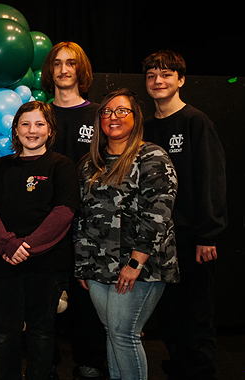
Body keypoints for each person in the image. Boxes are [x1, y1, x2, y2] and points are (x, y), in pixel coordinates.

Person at [75, 88, 179, 380]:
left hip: (141, 266)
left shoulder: (152, 156)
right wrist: (83, 264)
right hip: (98, 265)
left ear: (136, 117)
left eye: (122, 111)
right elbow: (82, 216)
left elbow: (158, 214)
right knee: (112, 331)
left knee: (124, 333)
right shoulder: (90, 163)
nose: (113, 117)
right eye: (107, 112)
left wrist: (135, 262)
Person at [142, 50, 227, 380]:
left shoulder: (196, 122)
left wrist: (208, 234)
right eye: (152, 75)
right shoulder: (145, 128)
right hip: (158, 240)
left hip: (192, 238)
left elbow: (211, 178)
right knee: (169, 316)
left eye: (166, 74)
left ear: (181, 80)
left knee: (196, 316)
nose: (158, 80)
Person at [0, 101, 78, 380]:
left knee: (41, 333)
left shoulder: (61, 165)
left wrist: (27, 247)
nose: (31, 131)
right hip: (4, 264)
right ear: (15, 130)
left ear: (50, 130)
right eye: (25, 124)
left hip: (46, 266)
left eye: (39, 124)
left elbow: (64, 212)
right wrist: (8, 245)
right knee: (4, 335)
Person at [39, 41, 106, 378]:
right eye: (57, 63)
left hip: (89, 222)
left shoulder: (98, 115)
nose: (64, 69)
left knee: (86, 296)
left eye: (71, 63)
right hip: (44, 220)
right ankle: (45, 363)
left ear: (82, 70)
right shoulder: (39, 115)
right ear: (49, 71)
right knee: (43, 298)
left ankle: (90, 363)